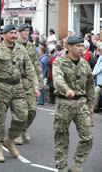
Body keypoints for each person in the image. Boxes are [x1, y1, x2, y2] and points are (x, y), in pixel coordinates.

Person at [0, 24, 36, 162]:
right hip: (1, 88)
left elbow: (30, 68)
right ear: (4, 34)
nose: (14, 35)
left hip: (18, 87)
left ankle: (9, 139)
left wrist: (35, 85)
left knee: (22, 116)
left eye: (15, 33)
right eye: (11, 33)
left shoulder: (21, 49)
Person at [52, 35, 95, 172]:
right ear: (68, 47)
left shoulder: (84, 64)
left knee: (88, 137)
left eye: (82, 46)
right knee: (61, 137)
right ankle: (61, 167)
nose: (81, 48)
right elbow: (57, 78)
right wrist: (66, 89)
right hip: (64, 103)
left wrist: (91, 103)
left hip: (81, 103)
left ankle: (76, 164)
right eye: (78, 46)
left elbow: (90, 85)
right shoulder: (59, 62)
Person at [14, 23, 43, 145]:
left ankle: (24, 128)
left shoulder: (31, 46)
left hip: (30, 81)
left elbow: (36, 63)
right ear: (19, 32)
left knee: (32, 110)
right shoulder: (14, 45)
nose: (27, 32)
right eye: (24, 31)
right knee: (20, 110)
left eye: (28, 30)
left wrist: (40, 80)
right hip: (18, 81)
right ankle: (18, 132)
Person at [92, 46, 102, 113]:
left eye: (100, 50)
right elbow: (96, 65)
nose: (99, 51)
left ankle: (98, 106)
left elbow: (100, 68)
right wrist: (93, 73)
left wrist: (95, 73)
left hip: (100, 76)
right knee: (97, 91)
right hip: (97, 76)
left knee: (99, 91)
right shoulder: (100, 57)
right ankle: (97, 106)